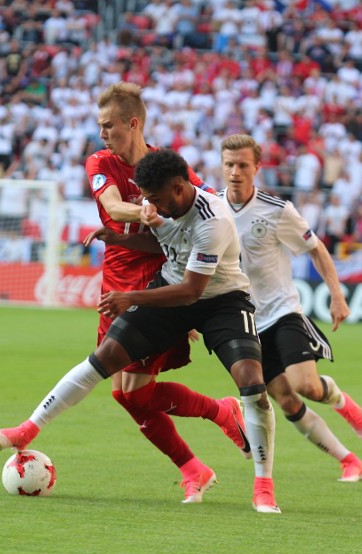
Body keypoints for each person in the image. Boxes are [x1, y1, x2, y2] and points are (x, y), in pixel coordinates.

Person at [0, 149, 281, 513]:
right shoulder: (164, 203)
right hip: (172, 289)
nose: (151, 209)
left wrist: (130, 297)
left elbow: (192, 290)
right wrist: (120, 239)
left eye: (156, 200)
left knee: (251, 381)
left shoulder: (213, 220)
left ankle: (263, 485)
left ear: (179, 188)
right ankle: (29, 428)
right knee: (107, 361)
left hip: (221, 300)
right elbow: (164, 239)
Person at [77, 81, 251, 503]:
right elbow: (114, 207)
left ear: (131, 123)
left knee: (129, 390)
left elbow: (202, 200)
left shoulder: (167, 166)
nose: (102, 134)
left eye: (108, 126)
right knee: (127, 394)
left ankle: (195, 462)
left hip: (159, 281)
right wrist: (147, 210)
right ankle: (215, 420)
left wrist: (188, 298)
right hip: (117, 279)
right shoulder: (100, 161)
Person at [217, 134, 362, 482]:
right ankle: (349, 460)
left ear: (257, 167)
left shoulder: (277, 211)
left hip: (282, 312)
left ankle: (339, 400)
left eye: (243, 165)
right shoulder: (212, 209)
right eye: (229, 164)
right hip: (245, 324)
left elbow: (317, 249)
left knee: (305, 385)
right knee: (286, 401)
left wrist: (337, 295)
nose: (235, 172)